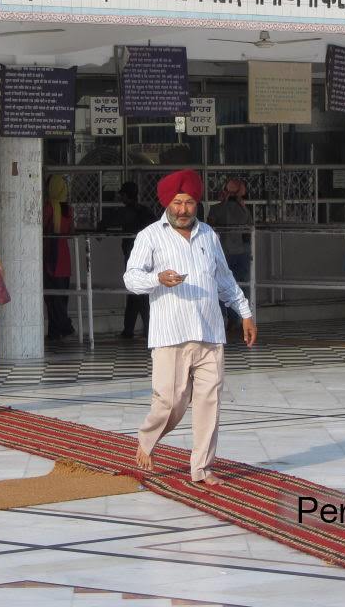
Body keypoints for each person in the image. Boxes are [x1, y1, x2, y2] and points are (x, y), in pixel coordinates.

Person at [125, 168, 257, 486]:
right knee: (171, 401)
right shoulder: (150, 236)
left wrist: (245, 312)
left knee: (209, 401)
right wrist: (158, 278)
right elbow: (130, 278)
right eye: (177, 203)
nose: (183, 210)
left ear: (197, 203)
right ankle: (147, 438)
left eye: (188, 203)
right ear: (167, 203)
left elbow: (224, 279)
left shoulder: (209, 236)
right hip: (170, 334)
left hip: (210, 332)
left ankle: (202, 467)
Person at [102, 182, 154, 339]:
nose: (120, 197)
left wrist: (100, 227)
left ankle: (146, 329)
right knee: (136, 292)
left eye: (122, 194)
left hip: (133, 257)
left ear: (126, 195)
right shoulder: (146, 211)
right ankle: (131, 329)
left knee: (138, 292)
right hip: (148, 256)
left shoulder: (128, 212)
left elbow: (108, 222)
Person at [205, 178, 253, 330]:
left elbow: (209, 228)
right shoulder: (244, 210)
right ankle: (239, 317)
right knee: (240, 286)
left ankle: (223, 317)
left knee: (220, 286)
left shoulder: (215, 209)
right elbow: (248, 232)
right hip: (241, 253)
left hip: (222, 254)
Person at [43, 174, 75, 340]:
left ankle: (62, 327)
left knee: (51, 296)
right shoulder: (68, 209)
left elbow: (41, 228)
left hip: (51, 256)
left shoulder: (49, 208)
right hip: (64, 257)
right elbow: (71, 233)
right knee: (62, 296)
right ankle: (58, 329)